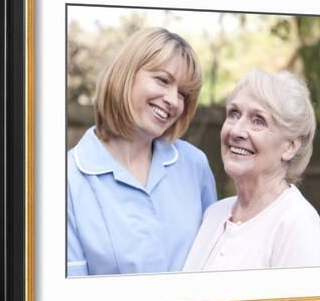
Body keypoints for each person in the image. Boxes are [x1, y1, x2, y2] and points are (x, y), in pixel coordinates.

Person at [68, 27, 217, 276]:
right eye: (163, 80)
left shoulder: (194, 165)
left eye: (182, 94)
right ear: (126, 75)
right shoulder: (67, 180)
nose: (172, 100)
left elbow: (213, 264)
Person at [183, 69, 320, 272]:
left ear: (290, 146)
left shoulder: (297, 226)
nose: (236, 131)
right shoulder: (214, 214)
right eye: (234, 114)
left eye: (258, 121)